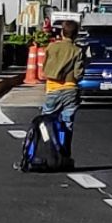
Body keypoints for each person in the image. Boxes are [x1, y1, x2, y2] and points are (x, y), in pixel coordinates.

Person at [41, 20, 85, 166]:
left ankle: (46, 154)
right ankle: (64, 155)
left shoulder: (51, 47)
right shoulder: (77, 51)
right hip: (70, 90)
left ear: (61, 32)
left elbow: (44, 70)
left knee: (47, 122)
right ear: (76, 34)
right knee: (67, 124)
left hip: (52, 89)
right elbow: (78, 75)